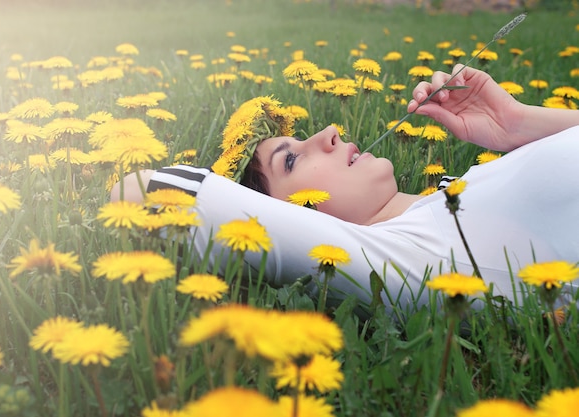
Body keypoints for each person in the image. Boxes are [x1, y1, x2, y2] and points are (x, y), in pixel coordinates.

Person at [112, 64, 579, 313]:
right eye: (291, 160)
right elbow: (139, 190)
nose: (330, 133)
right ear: (289, 219)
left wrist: (517, 125)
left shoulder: (448, 199)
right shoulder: (401, 259)